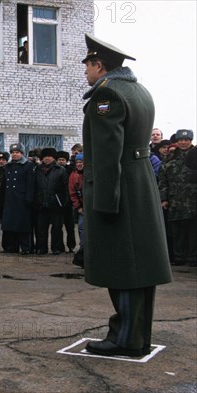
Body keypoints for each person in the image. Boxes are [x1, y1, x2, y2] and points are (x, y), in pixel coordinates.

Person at [80, 33, 172, 357]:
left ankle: (125, 339)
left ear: (99, 65)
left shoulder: (108, 97)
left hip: (119, 190)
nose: (86, 72)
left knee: (122, 267)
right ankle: (135, 337)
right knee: (139, 268)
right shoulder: (139, 91)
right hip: (140, 184)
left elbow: (107, 157)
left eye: (88, 66)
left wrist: (104, 203)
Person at [159, 129, 197, 267]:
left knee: (193, 231)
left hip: (193, 199)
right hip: (175, 199)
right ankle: (179, 257)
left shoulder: (195, 155)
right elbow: (163, 180)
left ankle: (193, 258)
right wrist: (164, 199)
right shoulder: (170, 157)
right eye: (181, 140)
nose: (183, 142)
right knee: (177, 230)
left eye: (186, 140)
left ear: (191, 141)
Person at [1, 143, 35, 255]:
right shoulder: (8, 166)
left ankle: (26, 247)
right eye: (13, 152)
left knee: (23, 225)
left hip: (22, 200)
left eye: (17, 152)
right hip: (10, 199)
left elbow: (30, 183)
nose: (15, 154)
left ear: (22, 153)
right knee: (11, 224)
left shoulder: (28, 166)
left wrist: (29, 198)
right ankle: (12, 246)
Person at [33, 148, 67, 255]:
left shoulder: (61, 170)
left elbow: (65, 188)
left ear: (54, 158)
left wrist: (63, 202)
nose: (47, 159)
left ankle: (56, 248)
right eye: (45, 157)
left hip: (56, 204)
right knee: (41, 228)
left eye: (50, 156)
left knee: (57, 228)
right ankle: (41, 248)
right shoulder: (37, 169)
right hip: (41, 203)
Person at [68, 153, 84, 267]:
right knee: (82, 228)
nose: (79, 164)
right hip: (82, 208)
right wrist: (78, 207)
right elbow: (72, 193)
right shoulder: (74, 176)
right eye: (77, 162)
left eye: (81, 162)